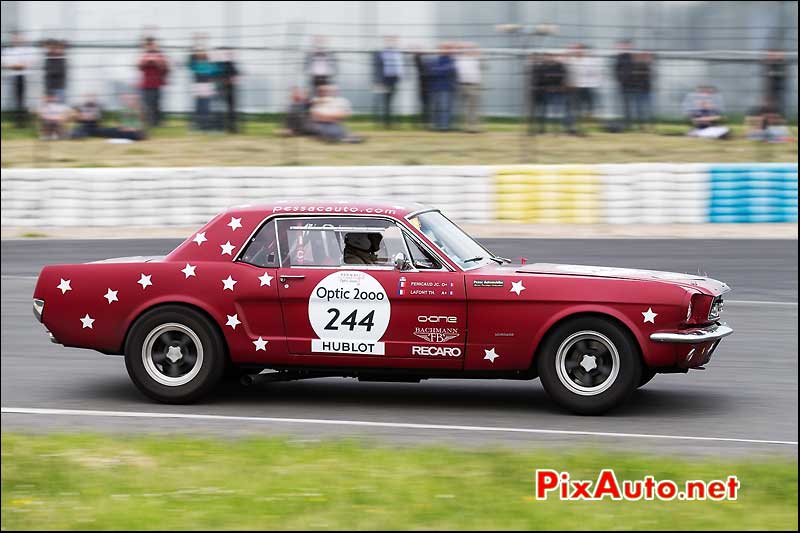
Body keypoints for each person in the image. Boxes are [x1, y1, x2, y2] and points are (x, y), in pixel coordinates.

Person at [1, 32, 37, 127]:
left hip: (23, 77)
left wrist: (18, 65)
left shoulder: (26, 50)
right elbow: (6, 63)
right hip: (13, 77)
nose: (17, 40)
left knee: (23, 100)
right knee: (15, 99)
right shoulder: (8, 51)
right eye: (15, 39)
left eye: (19, 38)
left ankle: (23, 121)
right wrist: (18, 65)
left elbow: (29, 62)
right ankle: (17, 121)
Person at [566, 43, 602, 133]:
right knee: (574, 108)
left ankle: (583, 127)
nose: (578, 51)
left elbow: (595, 73)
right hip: (575, 88)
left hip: (587, 87)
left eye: (580, 49)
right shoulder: (571, 60)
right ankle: (572, 127)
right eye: (576, 49)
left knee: (588, 109)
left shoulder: (589, 61)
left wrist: (594, 82)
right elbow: (568, 72)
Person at [138, 36, 169, 127]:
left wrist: (157, 62)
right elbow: (140, 67)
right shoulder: (143, 56)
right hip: (146, 84)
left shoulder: (160, 55)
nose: (151, 46)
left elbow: (165, 68)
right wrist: (147, 61)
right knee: (148, 104)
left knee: (157, 103)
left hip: (157, 83)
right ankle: (149, 122)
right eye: (148, 45)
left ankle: (157, 122)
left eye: (152, 44)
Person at [372, 36, 403, 128]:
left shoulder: (397, 53)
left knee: (391, 101)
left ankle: (390, 122)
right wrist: (378, 81)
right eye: (389, 41)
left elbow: (400, 66)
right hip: (384, 79)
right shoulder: (381, 53)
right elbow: (377, 68)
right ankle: (385, 122)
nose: (391, 42)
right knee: (385, 101)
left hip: (394, 79)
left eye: (393, 40)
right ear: (385, 42)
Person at [187, 40, 217, 131]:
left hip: (207, 86)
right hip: (197, 86)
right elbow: (190, 64)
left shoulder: (209, 62)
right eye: (198, 51)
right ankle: (197, 125)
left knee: (206, 105)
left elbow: (213, 72)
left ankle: (206, 125)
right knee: (198, 105)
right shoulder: (194, 62)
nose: (200, 53)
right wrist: (195, 45)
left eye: (202, 51)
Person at [455, 42, 482, 133]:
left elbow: (484, 66)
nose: (468, 50)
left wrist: (477, 54)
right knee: (461, 107)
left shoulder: (477, 58)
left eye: (470, 48)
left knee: (473, 107)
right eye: (466, 48)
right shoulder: (458, 58)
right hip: (461, 85)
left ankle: (473, 127)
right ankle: (463, 126)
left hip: (473, 85)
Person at [429, 43, 456, 131]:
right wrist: (442, 70)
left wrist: (438, 70)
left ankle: (445, 126)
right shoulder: (434, 60)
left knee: (445, 108)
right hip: (435, 87)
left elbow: (450, 69)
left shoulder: (451, 60)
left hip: (447, 87)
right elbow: (431, 70)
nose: (443, 50)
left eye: (446, 48)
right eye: (441, 48)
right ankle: (436, 126)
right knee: (436, 108)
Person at [215, 47, 239, 133]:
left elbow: (236, 75)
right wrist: (223, 80)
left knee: (231, 109)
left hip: (230, 89)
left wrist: (232, 80)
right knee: (220, 108)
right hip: (221, 89)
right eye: (227, 53)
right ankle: (220, 126)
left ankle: (231, 127)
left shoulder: (231, 63)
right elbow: (215, 75)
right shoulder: (218, 64)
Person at [629, 51, 654, 131]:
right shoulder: (636, 67)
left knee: (645, 109)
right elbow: (636, 78)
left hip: (645, 90)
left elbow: (649, 77)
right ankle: (642, 126)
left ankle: (647, 125)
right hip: (639, 90)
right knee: (640, 109)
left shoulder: (646, 66)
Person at [614, 39, 635, 131]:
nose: (622, 47)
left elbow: (633, 70)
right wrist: (619, 80)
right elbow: (615, 70)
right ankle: (626, 123)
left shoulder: (632, 57)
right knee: (624, 105)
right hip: (622, 85)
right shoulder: (619, 57)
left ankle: (629, 123)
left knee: (630, 105)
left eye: (625, 45)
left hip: (632, 85)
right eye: (622, 45)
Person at [762, 49, 786, 117]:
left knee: (776, 103)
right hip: (771, 89)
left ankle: (774, 115)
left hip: (776, 90)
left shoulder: (780, 65)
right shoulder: (770, 66)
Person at [413, 47, 433, 128]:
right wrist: (416, 53)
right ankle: (425, 122)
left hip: (431, 87)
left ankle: (428, 122)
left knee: (429, 105)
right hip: (423, 87)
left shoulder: (430, 61)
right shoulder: (420, 61)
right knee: (424, 105)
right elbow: (416, 60)